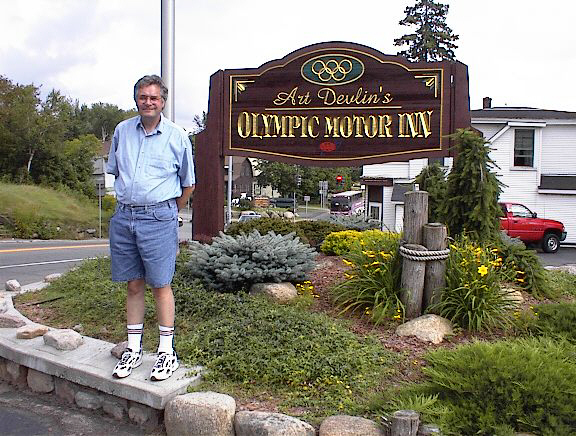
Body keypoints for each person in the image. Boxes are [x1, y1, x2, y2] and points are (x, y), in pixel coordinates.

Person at [106, 75, 195, 381]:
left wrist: (167, 211)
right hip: (124, 218)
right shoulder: (122, 131)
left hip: (158, 218)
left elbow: (188, 184)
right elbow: (116, 172)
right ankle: (133, 349)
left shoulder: (177, 137)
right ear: (136, 99)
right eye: (143, 97)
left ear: (163, 102)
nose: (148, 102)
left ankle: (166, 353)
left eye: (154, 98)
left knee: (160, 284)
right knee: (133, 284)